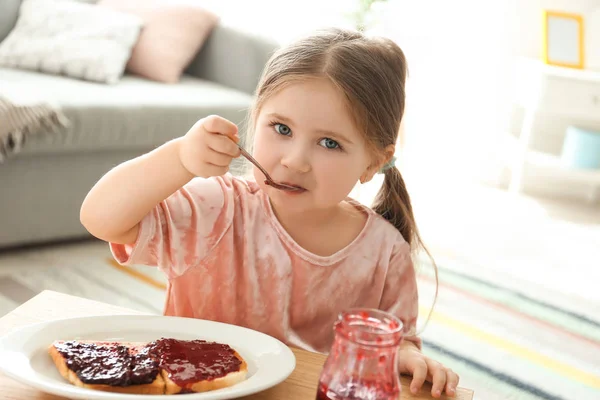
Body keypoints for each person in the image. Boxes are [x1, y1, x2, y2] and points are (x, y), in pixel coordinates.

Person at [80, 28, 459, 398]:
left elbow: (397, 344)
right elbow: (100, 218)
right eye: (281, 128)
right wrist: (179, 158)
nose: (295, 161)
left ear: (373, 162)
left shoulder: (385, 251)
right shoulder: (216, 209)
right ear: (255, 118)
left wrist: (407, 355)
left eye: (329, 143)